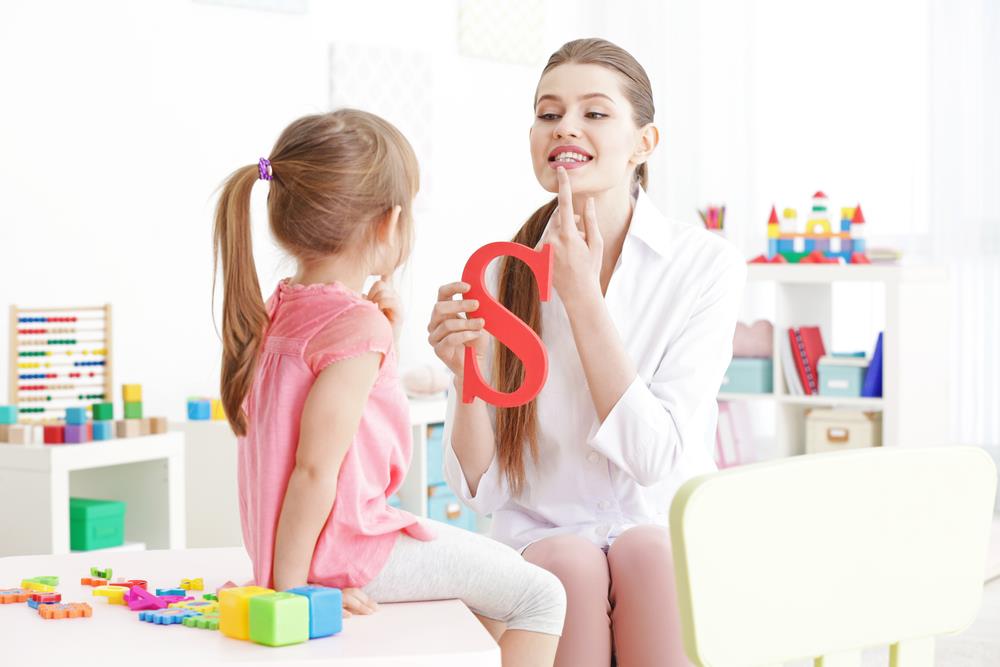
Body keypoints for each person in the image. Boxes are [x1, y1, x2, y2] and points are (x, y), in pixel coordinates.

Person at [429, 39, 746, 666]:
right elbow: (480, 490)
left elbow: (653, 458)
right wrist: (463, 371)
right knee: (569, 564)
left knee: (648, 552)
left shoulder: (704, 266)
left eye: (594, 113)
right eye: (549, 114)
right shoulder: (499, 275)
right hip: (541, 545)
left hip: (657, 532)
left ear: (644, 143)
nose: (565, 127)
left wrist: (580, 299)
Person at [213, 109, 565, 666]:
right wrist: (292, 595)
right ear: (389, 223)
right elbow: (312, 471)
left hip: (304, 549)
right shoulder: (354, 326)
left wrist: (387, 337)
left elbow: (319, 438)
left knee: (491, 600)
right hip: (346, 551)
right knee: (541, 596)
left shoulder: (276, 309)